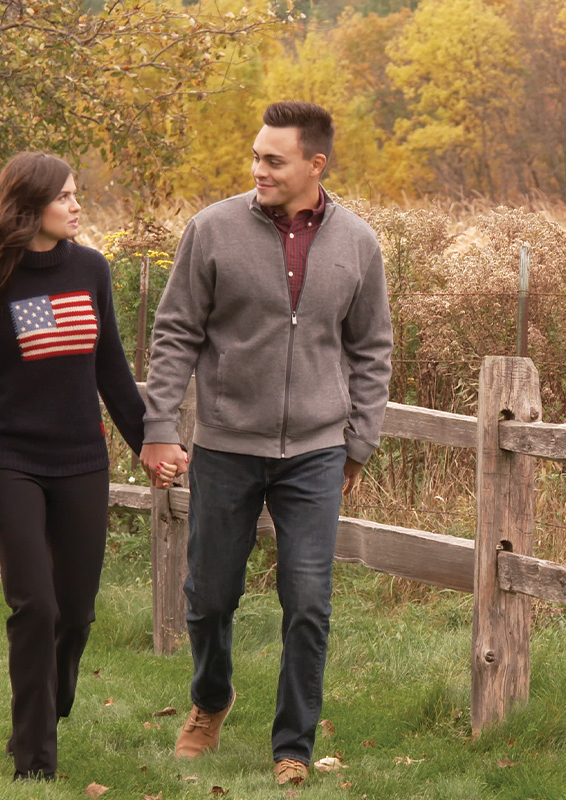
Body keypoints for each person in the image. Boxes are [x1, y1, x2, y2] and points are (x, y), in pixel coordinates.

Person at [140, 101, 393, 787]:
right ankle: (210, 700)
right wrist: (159, 425)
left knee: (308, 600)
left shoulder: (358, 244)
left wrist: (357, 443)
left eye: (273, 160)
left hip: (316, 451)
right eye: (256, 156)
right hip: (224, 444)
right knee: (210, 595)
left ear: (316, 164)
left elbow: (371, 348)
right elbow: (175, 334)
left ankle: (293, 745)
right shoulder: (212, 231)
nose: (258, 169)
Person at [0, 152, 176, 781]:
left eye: (79, 196)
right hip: (7, 461)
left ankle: (49, 703)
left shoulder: (91, 271)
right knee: (36, 607)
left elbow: (111, 374)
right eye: (66, 198)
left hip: (80, 461)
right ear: (31, 208)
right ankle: (34, 762)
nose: (78, 207)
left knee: (75, 612)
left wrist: (150, 442)